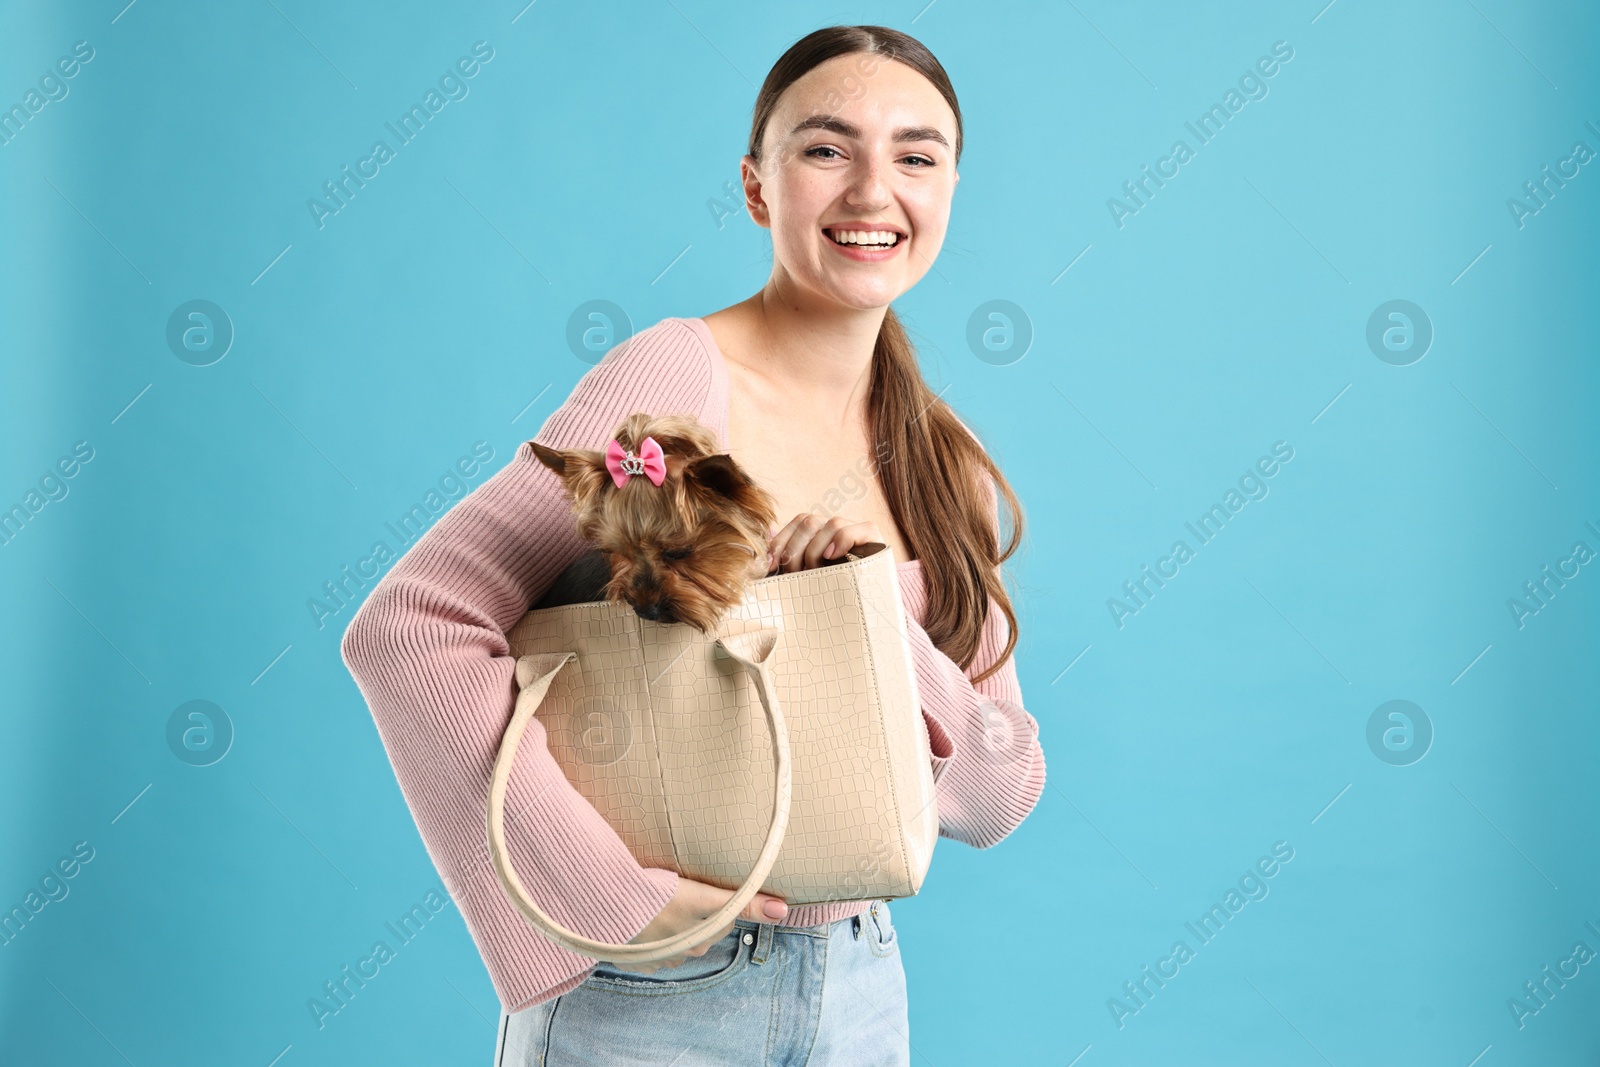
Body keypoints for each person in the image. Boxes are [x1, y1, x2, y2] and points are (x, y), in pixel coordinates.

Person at [340, 24, 1046, 1067]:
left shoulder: (945, 456)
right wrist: (608, 900)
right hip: (651, 999)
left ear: (949, 191)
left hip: (860, 981)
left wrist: (865, 618)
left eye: (915, 154)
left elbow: (997, 790)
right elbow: (410, 626)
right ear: (758, 187)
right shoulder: (675, 375)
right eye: (824, 148)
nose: (870, 190)